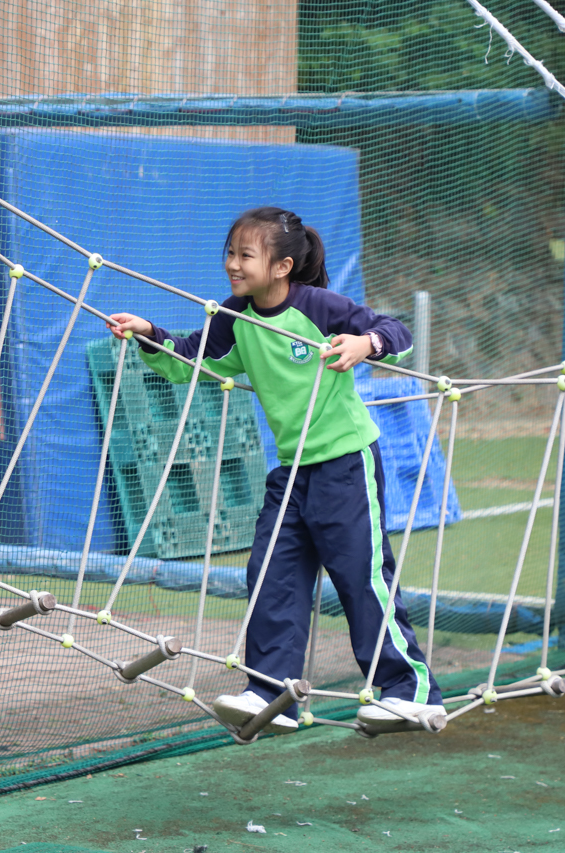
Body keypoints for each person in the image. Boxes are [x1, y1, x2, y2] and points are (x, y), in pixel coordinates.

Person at [107, 206, 442, 733]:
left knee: (361, 578)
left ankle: (411, 692)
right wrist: (149, 333)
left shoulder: (319, 307)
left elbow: (394, 333)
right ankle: (272, 694)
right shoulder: (235, 317)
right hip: (292, 471)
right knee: (270, 575)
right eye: (230, 253)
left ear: (282, 266)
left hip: (345, 464)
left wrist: (364, 344)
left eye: (245, 255)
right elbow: (192, 358)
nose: (232, 265)